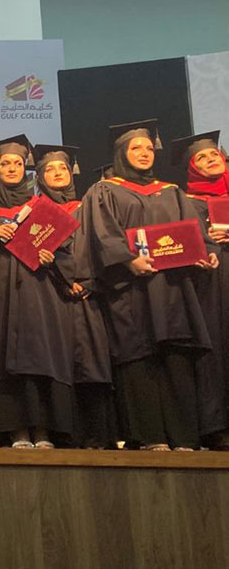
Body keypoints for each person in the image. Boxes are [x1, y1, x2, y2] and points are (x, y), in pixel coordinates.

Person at [78, 120, 221, 451]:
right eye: (135, 148)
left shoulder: (171, 192)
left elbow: (196, 233)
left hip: (172, 288)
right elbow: (103, 234)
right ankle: (150, 436)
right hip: (132, 289)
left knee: (176, 356)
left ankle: (184, 436)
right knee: (139, 358)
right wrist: (128, 260)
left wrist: (208, 254)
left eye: (147, 148)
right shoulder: (106, 191)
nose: (144, 154)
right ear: (121, 153)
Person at [0, 134, 75, 448]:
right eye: (4, 164)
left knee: (40, 356)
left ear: (26, 169)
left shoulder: (43, 208)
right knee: (5, 358)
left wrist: (51, 259)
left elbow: (66, 252)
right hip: (1, 294)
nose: (11, 169)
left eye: (17, 164)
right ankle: (16, 429)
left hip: (40, 292)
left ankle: (43, 429)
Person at [33, 144, 116, 448]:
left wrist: (89, 281)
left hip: (88, 296)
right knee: (60, 363)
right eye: (50, 169)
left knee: (92, 361)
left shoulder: (87, 207)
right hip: (51, 296)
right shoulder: (34, 212)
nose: (57, 173)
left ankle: (98, 436)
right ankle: (65, 434)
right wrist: (64, 279)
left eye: (62, 169)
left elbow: (100, 247)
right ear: (40, 177)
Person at [172, 131, 229, 449]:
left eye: (214, 155)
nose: (211, 160)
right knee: (215, 348)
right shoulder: (185, 201)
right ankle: (217, 426)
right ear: (191, 168)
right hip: (211, 284)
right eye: (202, 158)